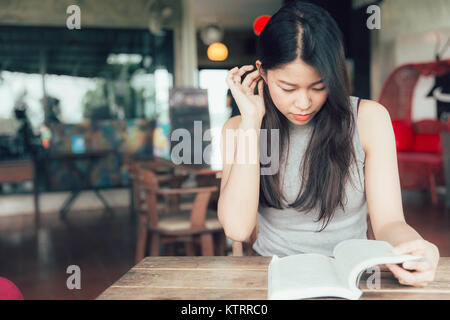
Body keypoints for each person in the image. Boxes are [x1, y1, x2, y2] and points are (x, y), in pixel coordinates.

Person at [218, 1, 439, 288]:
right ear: (263, 73)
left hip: (351, 277)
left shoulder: (368, 119)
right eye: (288, 88)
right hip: (273, 277)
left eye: (318, 86)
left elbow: (388, 222)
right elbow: (237, 228)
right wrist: (251, 121)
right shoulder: (239, 128)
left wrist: (416, 246)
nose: (303, 102)